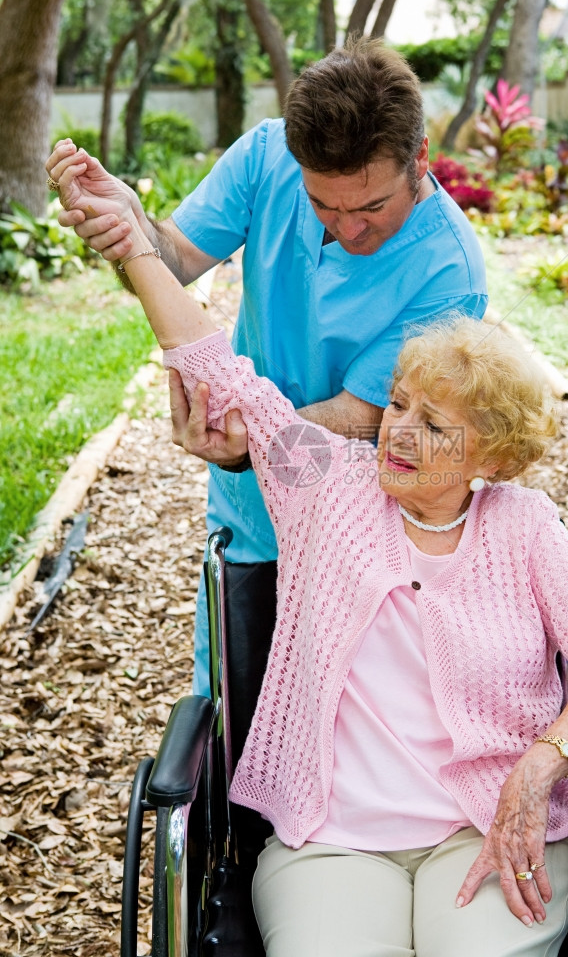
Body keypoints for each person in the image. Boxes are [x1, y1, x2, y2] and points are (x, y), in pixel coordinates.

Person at [54, 153, 568, 955]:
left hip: (492, 822)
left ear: (492, 458)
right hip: (333, 838)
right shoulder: (327, 488)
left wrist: (539, 769)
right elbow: (213, 364)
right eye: (401, 402)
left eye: (437, 425)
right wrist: (135, 242)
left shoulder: (523, 527)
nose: (401, 431)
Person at [45, 37, 488, 697]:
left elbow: (359, 417)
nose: (347, 230)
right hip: (251, 519)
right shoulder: (265, 156)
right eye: (322, 205)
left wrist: (242, 443)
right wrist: (129, 225)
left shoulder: (450, 273)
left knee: (351, 728)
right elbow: (177, 260)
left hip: (360, 532)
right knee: (236, 712)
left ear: (420, 159)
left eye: (371, 207)